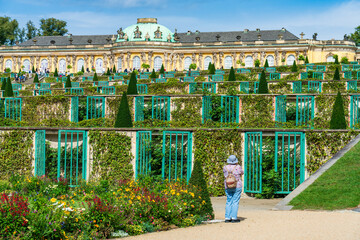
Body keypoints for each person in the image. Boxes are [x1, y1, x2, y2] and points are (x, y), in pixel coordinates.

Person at [223, 155, 244, 223]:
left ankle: (227, 217)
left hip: (228, 185)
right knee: (235, 201)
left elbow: (225, 175)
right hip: (237, 185)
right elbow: (242, 173)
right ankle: (234, 217)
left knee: (229, 201)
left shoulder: (225, 167)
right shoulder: (238, 167)